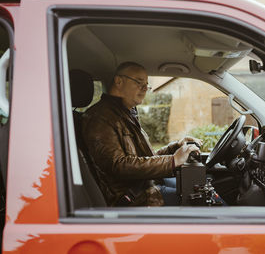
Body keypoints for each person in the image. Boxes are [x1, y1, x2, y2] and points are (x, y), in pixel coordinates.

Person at [82, 61, 201, 207]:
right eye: (139, 82)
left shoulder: (125, 113)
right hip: (132, 198)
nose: (145, 88)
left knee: (198, 186)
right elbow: (119, 165)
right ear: (119, 81)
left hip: (144, 185)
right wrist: (172, 161)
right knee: (200, 200)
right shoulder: (100, 117)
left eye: (147, 84)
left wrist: (175, 147)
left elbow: (143, 158)